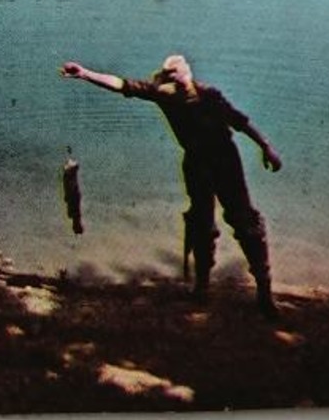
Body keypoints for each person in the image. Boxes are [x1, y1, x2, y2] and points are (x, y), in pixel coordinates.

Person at [60, 53, 284, 316]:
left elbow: (242, 123)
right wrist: (85, 73)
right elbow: (121, 84)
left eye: (180, 80)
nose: (177, 86)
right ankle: (202, 287)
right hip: (196, 163)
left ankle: (264, 292)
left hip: (225, 161)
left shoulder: (210, 96)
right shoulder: (164, 95)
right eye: (172, 81)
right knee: (201, 222)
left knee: (245, 221)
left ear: (188, 76)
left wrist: (266, 148)